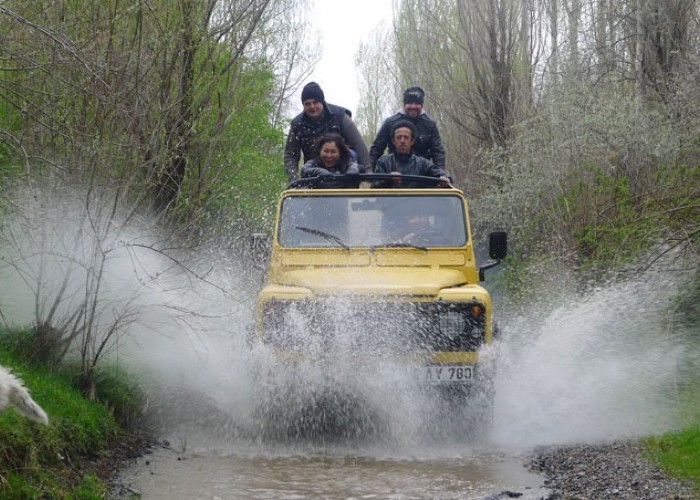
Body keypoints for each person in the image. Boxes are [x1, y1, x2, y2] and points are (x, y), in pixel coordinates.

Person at [284, 82, 371, 182]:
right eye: (307, 104)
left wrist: (368, 173)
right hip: (313, 173)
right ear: (303, 105)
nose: (312, 106)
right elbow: (290, 155)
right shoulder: (297, 124)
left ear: (322, 102)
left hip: (343, 172)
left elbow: (358, 144)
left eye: (315, 102)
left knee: (352, 156)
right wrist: (294, 181)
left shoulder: (340, 116)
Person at [369, 86, 446, 171]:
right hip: (393, 171)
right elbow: (377, 148)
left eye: (417, 103)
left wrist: (441, 172)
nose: (413, 106)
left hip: (421, 173)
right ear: (404, 104)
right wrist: (370, 170)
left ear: (422, 105)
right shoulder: (390, 122)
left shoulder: (430, 124)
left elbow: (437, 152)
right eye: (410, 103)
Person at [373, 120, 450, 188]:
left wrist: (444, 178)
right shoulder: (383, 162)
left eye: (406, 137)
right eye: (399, 137)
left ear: (412, 141)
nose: (402, 141)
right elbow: (374, 187)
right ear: (393, 141)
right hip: (389, 203)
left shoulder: (423, 163)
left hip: (417, 203)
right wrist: (389, 179)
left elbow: (441, 175)